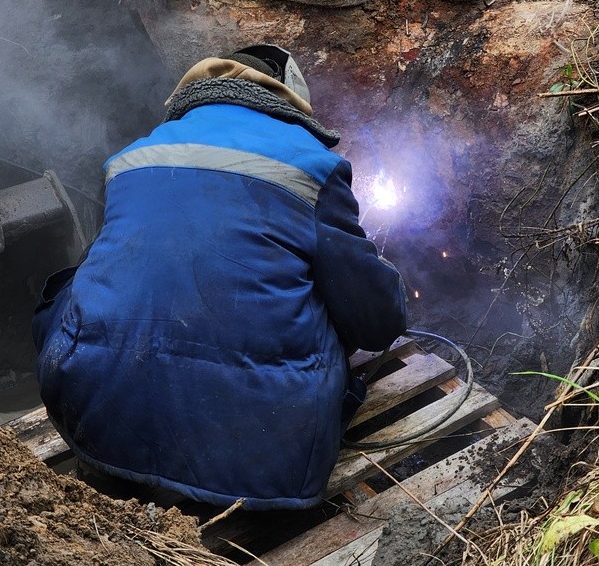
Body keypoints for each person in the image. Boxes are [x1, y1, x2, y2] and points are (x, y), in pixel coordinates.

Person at [32, 45, 407, 510]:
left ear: (199, 95)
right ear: (290, 104)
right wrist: (388, 284)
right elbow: (377, 322)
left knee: (73, 286)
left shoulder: (131, 157)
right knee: (329, 302)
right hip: (262, 463)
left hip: (97, 432)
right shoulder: (313, 166)